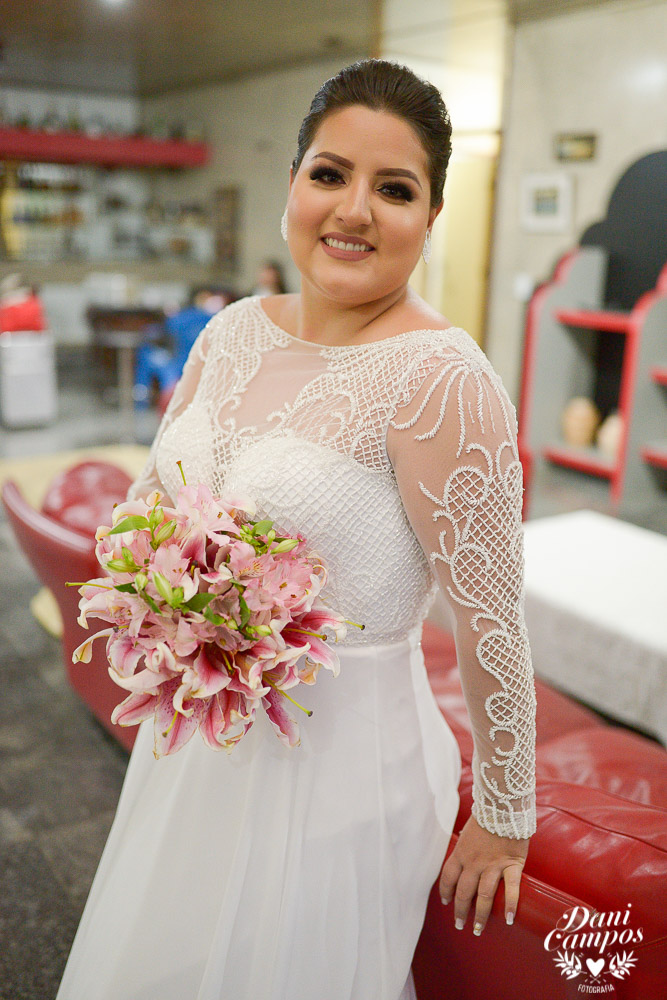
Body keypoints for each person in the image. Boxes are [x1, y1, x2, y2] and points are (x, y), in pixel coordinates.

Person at [57, 59, 536, 1000]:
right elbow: (145, 507)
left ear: (429, 218)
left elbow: (493, 619)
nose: (354, 209)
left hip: (341, 772)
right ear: (293, 182)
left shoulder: (441, 378)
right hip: (195, 742)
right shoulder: (230, 329)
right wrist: (159, 598)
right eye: (330, 174)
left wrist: (508, 813)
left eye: (393, 189)